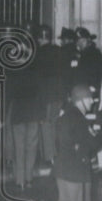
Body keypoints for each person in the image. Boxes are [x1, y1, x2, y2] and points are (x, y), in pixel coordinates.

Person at [53, 84, 102, 201]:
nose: (92, 101)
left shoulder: (62, 118)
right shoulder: (80, 120)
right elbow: (92, 146)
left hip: (61, 171)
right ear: (81, 100)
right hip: (78, 172)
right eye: (90, 98)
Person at [6, 34, 40, 190]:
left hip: (18, 111)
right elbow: (40, 92)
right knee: (31, 146)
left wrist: (3, 114)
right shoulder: (35, 67)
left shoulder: (12, 69)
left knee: (19, 146)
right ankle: (29, 178)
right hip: (33, 111)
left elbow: (8, 93)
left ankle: (20, 180)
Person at [33, 24, 63, 164]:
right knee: (55, 124)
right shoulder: (58, 50)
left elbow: (36, 78)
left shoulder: (37, 54)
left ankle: (49, 156)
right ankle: (57, 154)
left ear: (39, 38)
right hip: (58, 95)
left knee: (45, 125)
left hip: (45, 96)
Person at [72, 26, 102, 94]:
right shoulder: (82, 54)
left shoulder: (94, 54)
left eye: (78, 41)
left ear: (85, 40)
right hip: (82, 90)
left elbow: (93, 75)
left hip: (89, 90)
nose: (77, 44)